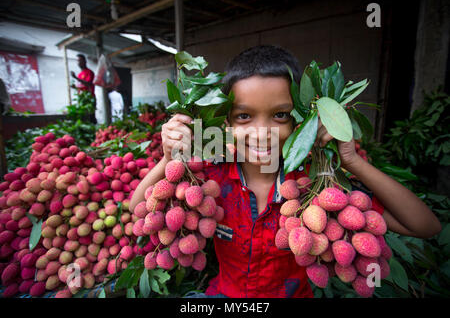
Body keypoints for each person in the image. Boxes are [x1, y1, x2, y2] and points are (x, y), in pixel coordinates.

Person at [129, 45, 442, 298]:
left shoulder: (317, 187)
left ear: (300, 120)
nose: (261, 131)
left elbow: (424, 226)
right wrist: (168, 159)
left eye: (280, 115)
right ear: (226, 123)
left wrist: (352, 162)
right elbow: (137, 209)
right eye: (244, 116)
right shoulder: (213, 174)